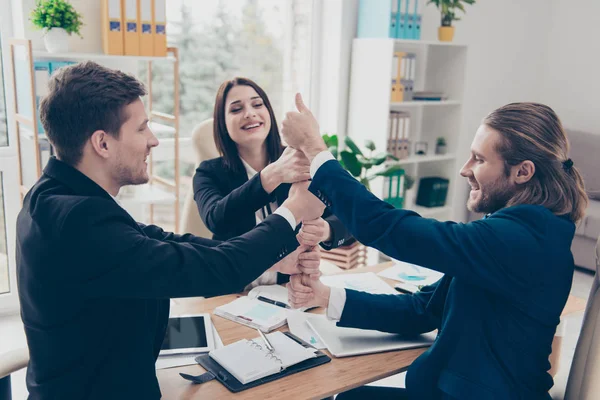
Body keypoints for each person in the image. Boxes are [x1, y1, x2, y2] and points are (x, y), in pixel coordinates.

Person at [15, 62, 324, 400]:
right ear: (102, 144)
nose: (154, 141)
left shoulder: (56, 194)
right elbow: (212, 269)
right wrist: (292, 211)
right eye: (142, 128)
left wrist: (274, 261)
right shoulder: (77, 220)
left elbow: (160, 240)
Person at [283, 95, 588, 400]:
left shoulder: (520, 239)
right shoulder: (518, 230)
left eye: (479, 159)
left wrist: (315, 149)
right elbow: (424, 310)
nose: (464, 169)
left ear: (523, 172)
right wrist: (325, 296)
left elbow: (392, 228)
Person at [192, 77, 352, 288]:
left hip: (288, 289)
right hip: (230, 291)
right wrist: (272, 175)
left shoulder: (299, 161)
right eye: (236, 109)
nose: (249, 113)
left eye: (257, 104)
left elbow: (351, 216)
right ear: (223, 124)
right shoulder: (208, 172)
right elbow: (217, 219)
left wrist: (326, 230)